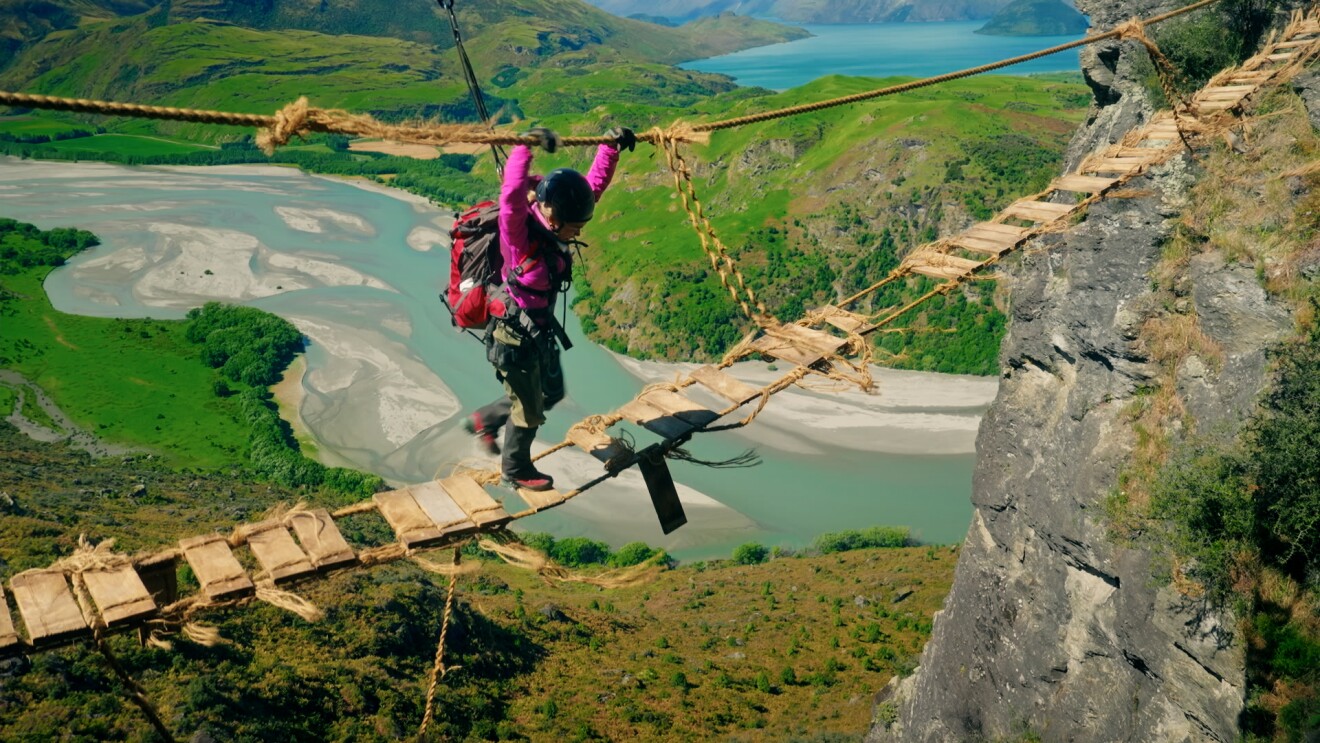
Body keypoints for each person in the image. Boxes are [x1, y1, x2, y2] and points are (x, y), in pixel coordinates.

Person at [464, 125, 636, 491]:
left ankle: (486, 419)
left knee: (551, 394)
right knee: (529, 412)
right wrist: (524, 147)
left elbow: (593, 186)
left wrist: (610, 147)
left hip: (538, 332)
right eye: (575, 228)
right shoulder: (519, 235)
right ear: (555, 218)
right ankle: (515, 470)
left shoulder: (560, 217)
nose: (578, 233)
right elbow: (511, 197)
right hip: (513, 338)